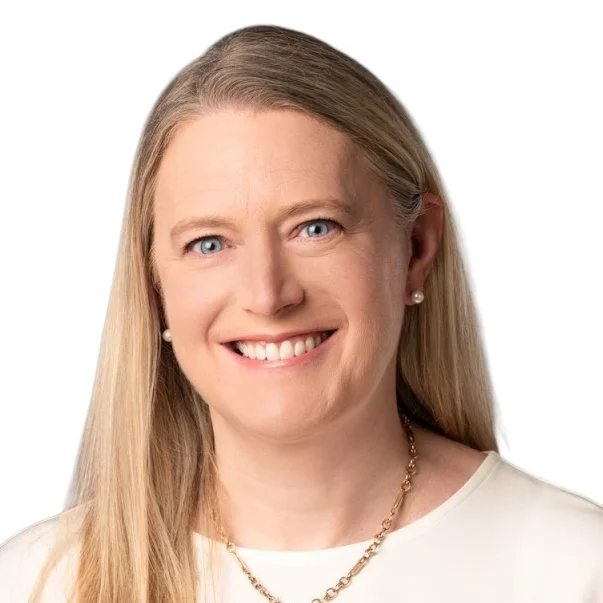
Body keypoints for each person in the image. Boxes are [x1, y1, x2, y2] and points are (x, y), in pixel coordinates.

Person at [1, 23, 601, 603]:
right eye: (209, 243)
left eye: (315, 227)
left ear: (416, 249)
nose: (267, 294)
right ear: (154, 285)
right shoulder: (38, 584)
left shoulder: (574, 569)